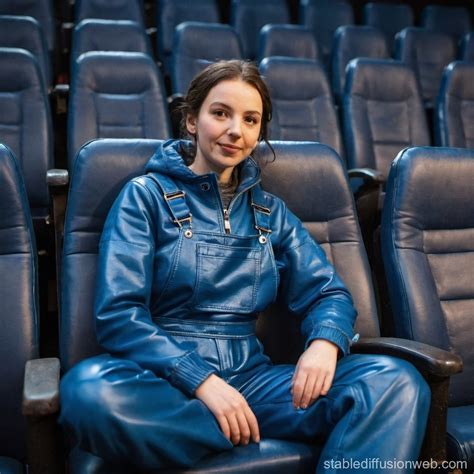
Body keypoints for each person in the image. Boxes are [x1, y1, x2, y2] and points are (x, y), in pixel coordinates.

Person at [59, 60, 430, 472]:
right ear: (191, 121)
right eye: (221, 113)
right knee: (89, 393)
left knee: (394, 381)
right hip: (164, 384)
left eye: (250, 120)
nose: (236, 130)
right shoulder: (144, 197)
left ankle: (215, 429)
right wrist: (201, 381)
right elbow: (119, 316)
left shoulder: (271, 212)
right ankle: (240, 427)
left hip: (254, 383)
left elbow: (329, 293)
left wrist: (325, 342)